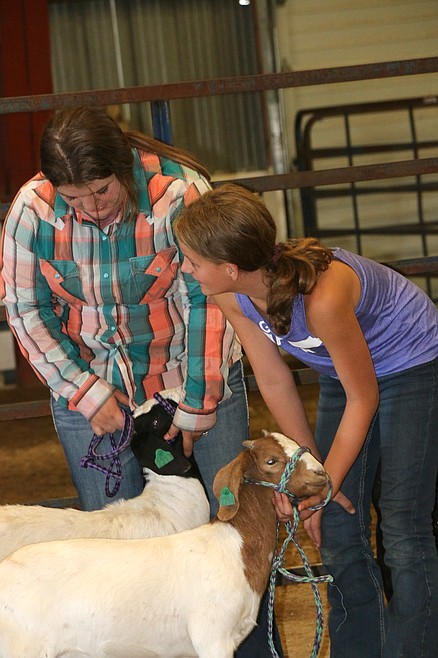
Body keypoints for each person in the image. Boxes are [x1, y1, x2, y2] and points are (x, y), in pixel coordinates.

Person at [0, 109, 284, 658]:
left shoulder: (178, 194)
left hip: (190, 380)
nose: (90, 208)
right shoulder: (31, 210)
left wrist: (198, 403)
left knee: (238, 535)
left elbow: (210, 299)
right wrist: (84, 390)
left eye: (101, 191)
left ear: (123, 169)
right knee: (110, 569)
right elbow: (25, 307)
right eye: (73, 198)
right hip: (90, 390)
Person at [174, 182, 438, 658]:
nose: (186, 269)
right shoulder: (233, 296)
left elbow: (365, 396)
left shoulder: (322, 297)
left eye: (192, 261)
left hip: (413, 363)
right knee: (336, 524)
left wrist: (325, 483)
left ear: (229, 267)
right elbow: (275, 381)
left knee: (401, 525)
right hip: (346, 369)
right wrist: (315, 480)